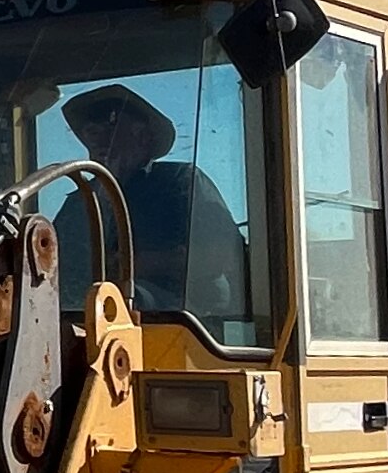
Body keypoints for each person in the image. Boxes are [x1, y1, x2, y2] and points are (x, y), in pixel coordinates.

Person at [52, 82, 250, 331]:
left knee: (123, 299)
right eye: (90, 128)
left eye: (111, 121)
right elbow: (50, 270)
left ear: (144, 136)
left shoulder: (179, 182)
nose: (97, 136)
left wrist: (142, 264)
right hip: (78, 331)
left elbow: (226, 258)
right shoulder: (78, 203)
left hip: (176, 332)